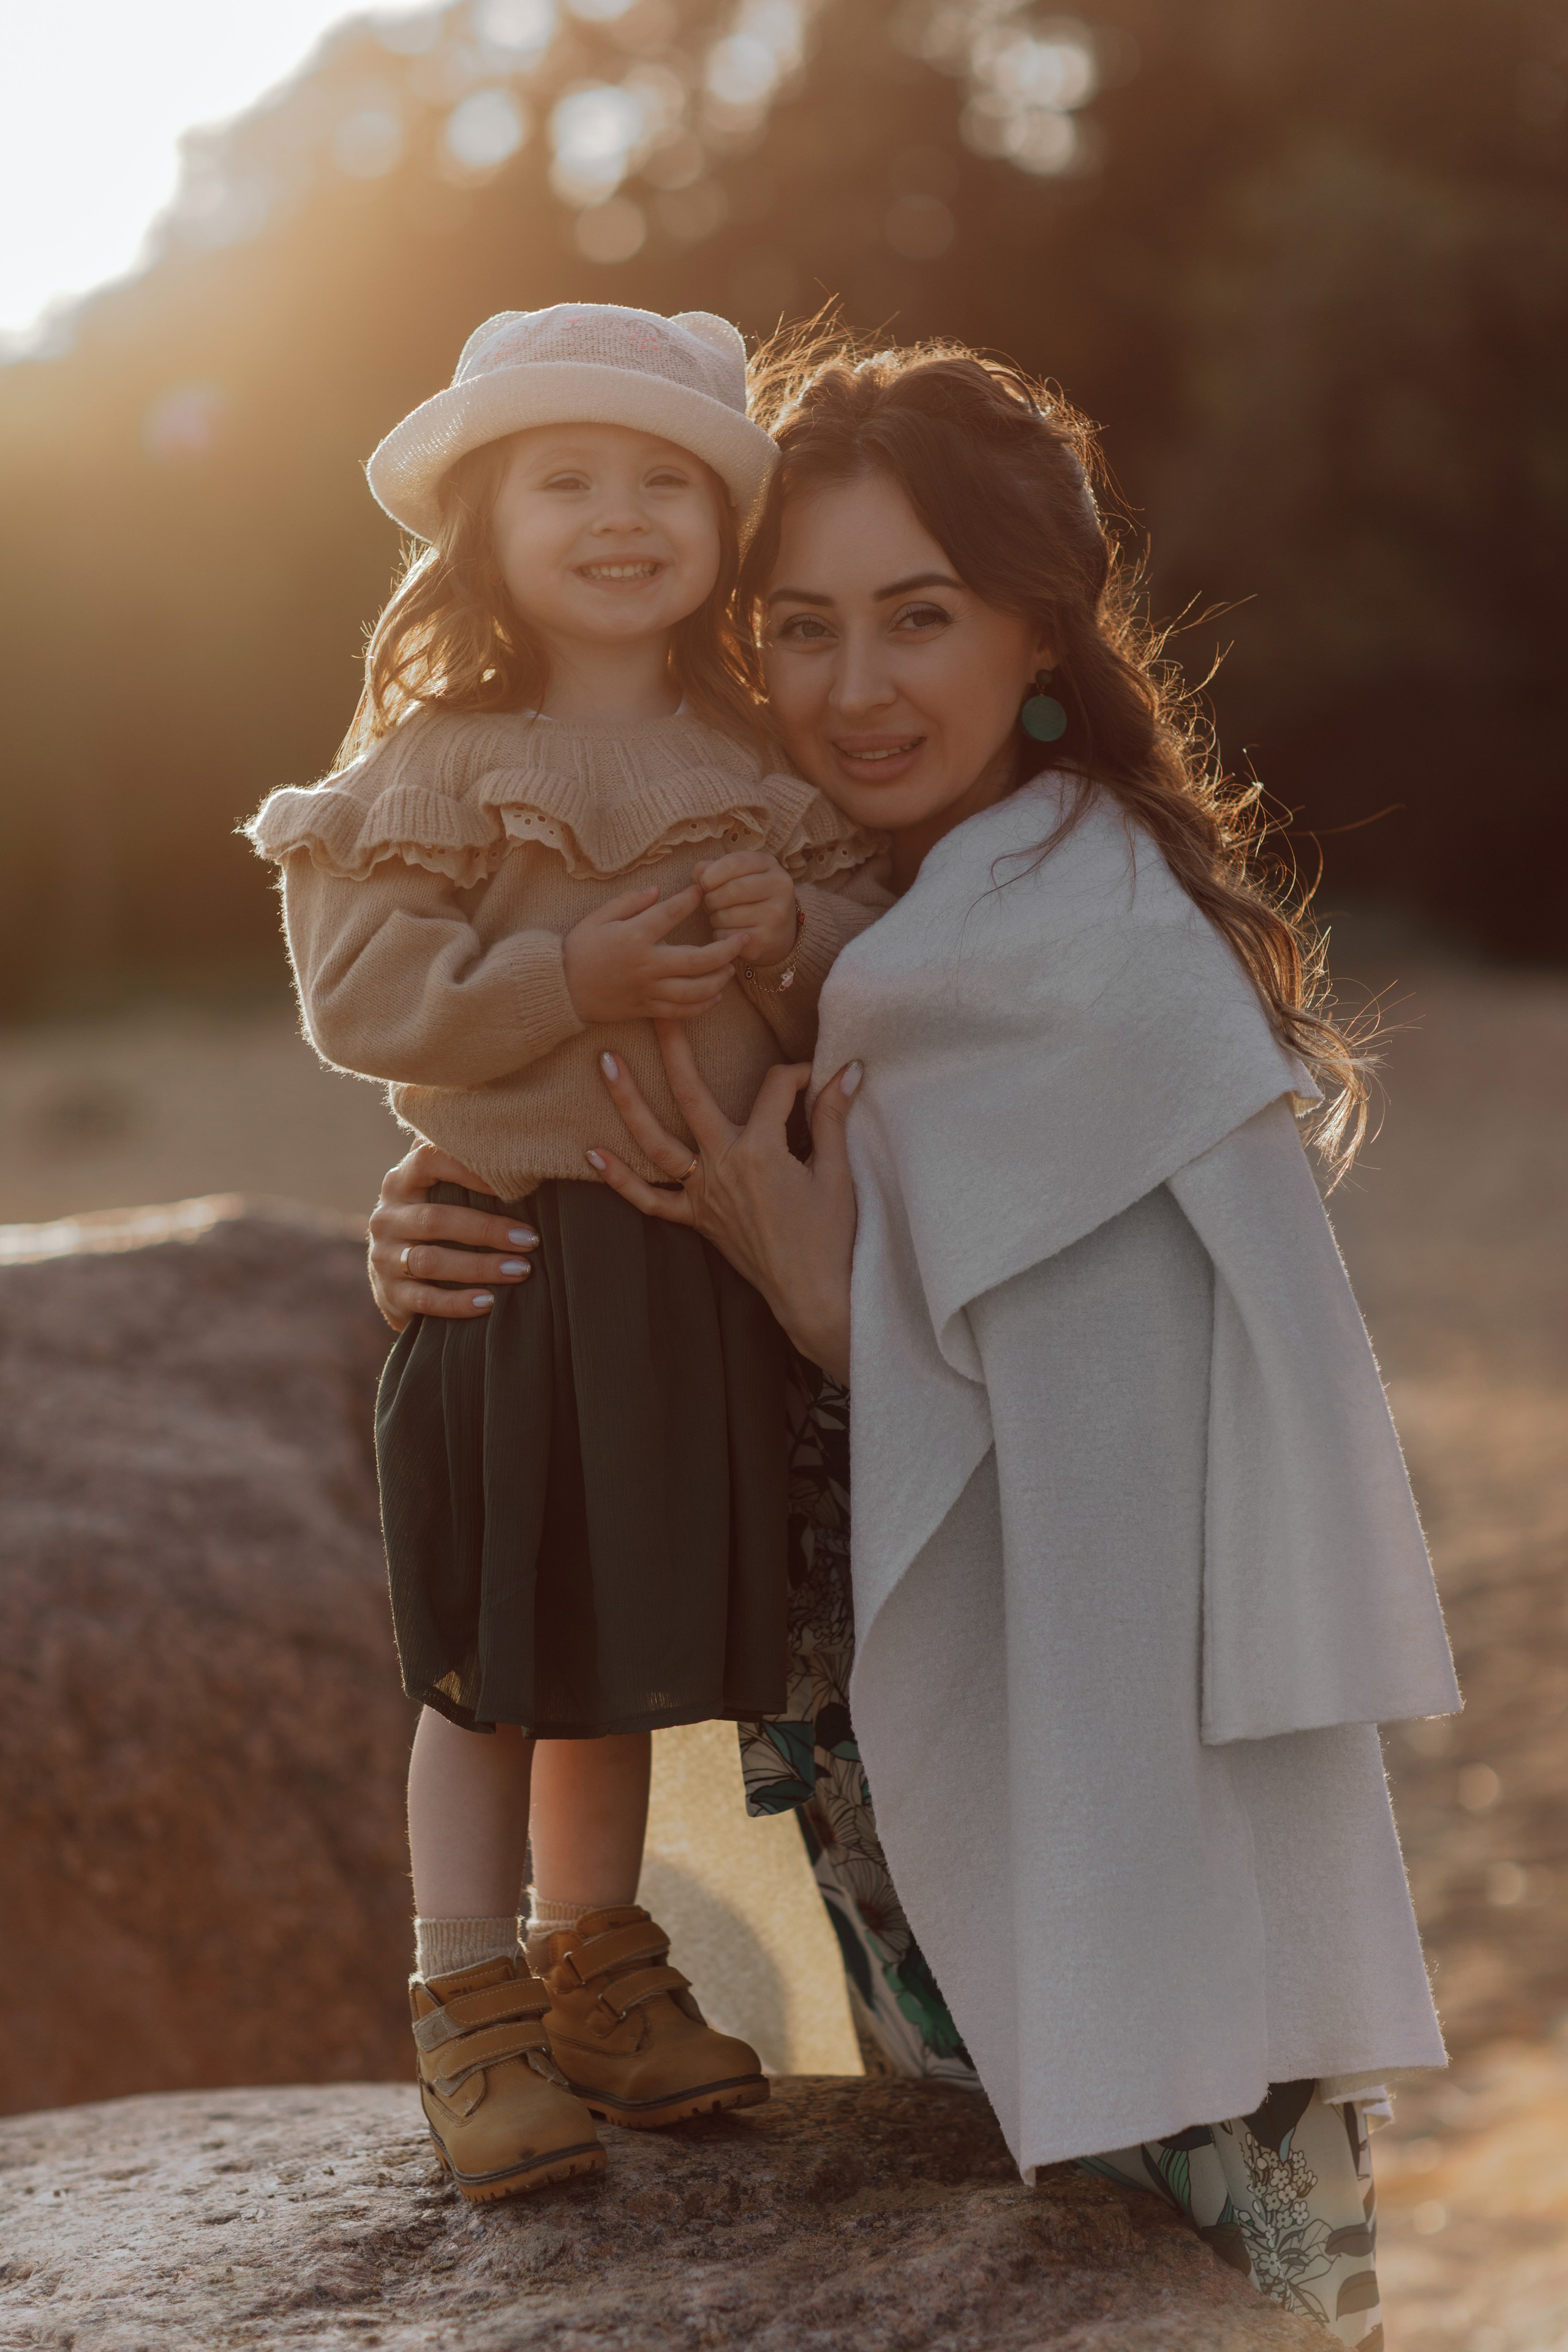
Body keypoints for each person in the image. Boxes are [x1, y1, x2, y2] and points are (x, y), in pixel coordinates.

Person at [366, 336, 1460, 2343]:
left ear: (1038, 628)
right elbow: (589, 1110)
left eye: (921, 616)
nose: (855, 688)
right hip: (897, 1799)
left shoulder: (1087, 948)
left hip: (1123, 1814)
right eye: (801, 626)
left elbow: (1155, 1465)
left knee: (1219, 2309)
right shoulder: (840, 911)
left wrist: (823, 1304)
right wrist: (457, 1208)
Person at [243, 304, 886, 2204]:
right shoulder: (438, 760)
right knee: (494, 1666)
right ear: (483, 524)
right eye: (567, 481)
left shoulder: (754, 756)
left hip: (693, 1277)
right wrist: (570, 975)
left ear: (723, 525)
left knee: (610, 1666)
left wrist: (788, 926)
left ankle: (598, 1971)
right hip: (516, 1269)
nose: (621, 517)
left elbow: (866, 970)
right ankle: (468, 2001)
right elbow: (365, 1001)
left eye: (666, 482)